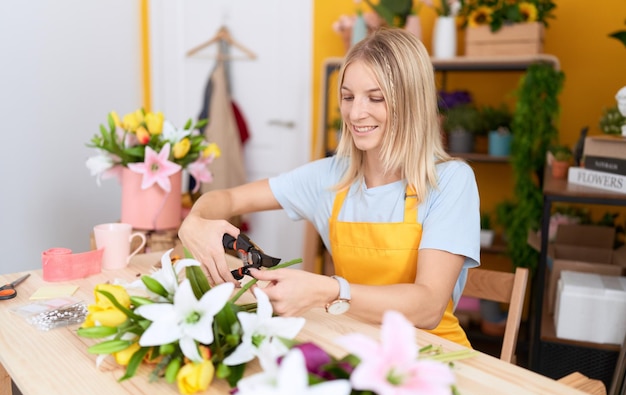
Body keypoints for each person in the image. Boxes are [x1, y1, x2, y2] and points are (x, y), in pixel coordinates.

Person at [179, 27, 480, 347]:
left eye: (375, 98)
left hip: (435, 353)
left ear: (411, 103)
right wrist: (196, 222)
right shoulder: (331, 177)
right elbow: (225, 199)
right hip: (355, 342)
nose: (355, 113)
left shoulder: (450, 181)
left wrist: (328, 290)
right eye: (348, 97)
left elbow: (428, 307)